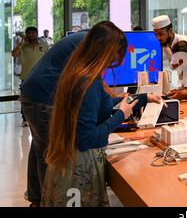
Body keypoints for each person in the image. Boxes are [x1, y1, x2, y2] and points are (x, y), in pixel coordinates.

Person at [40, 21, 161, 207]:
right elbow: (88, 138)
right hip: (79, 168)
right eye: (117, 53)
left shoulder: (78, 73)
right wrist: (121, 114)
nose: (117, 59)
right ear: (107, 50)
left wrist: (142, 98)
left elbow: (101, 106)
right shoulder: (89, 82)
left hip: (66, 162)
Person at [20, 28, 90, 207]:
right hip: (42, 96)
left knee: (39, 146)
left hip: (33, 93)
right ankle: (49, 201)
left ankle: (37, 198)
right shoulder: (89, 43)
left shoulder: (82, 39)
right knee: (50, 150)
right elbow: (87, 81)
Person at [12, 26, 49, 126]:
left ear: (37, 34)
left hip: (41, 76)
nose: (31, 34)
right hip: (27, 76)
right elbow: (14, 54)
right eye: (29, 33)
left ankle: (42, 117)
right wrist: (21, 44)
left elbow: (48, 58)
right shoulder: (23, 46)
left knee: (42, 97)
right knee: (25, 98)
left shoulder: (44, 44)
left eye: (33, 33)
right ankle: (25, 119)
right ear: (27, 35)